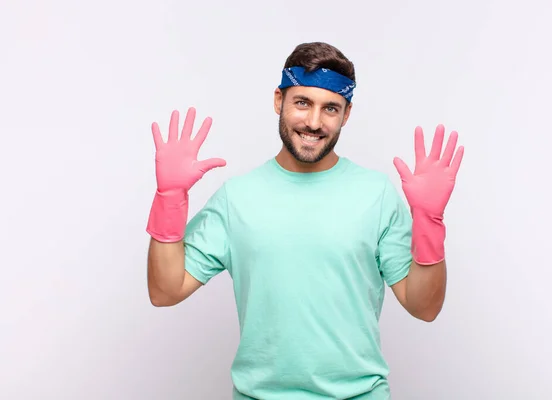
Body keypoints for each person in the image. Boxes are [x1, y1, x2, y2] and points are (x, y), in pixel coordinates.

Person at [146, 42, 464, 400]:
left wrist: (429, 222)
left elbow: (424, 306)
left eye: (330, 108)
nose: (314, 122)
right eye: (302, 103)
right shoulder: (237, 198)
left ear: (346, 115)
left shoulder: (376, 194)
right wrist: (169, 200)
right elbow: (165, 291)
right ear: (279, 101)